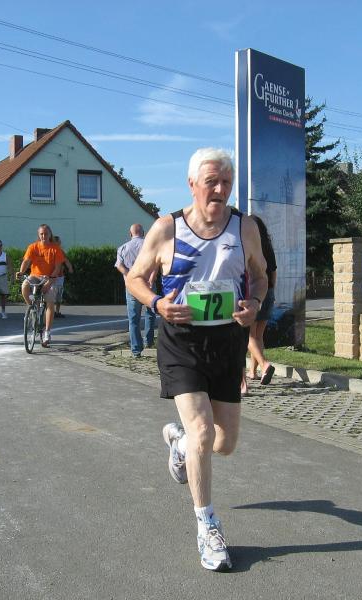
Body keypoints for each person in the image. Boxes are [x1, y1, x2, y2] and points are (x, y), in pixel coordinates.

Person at [126, 147, 267, 571]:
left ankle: (180, 443)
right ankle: (208, 528)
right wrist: (156, 303)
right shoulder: (167, 228)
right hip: (182, 343)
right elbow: (135, 278)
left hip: (227, 343)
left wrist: (255, 304)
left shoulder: (245, 228)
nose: (220, 190)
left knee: (224, 444)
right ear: (192, 185)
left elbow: (260, 275)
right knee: (204, 431)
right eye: (212, 182)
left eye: (226, 182)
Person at [242, 215, 278, 394]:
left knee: (249, 337)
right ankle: (253, 372)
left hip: (253, 294)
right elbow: (273, 272)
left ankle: (264, 365)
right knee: (259, 336)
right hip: (269, 292)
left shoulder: (250, 246)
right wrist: (271, 292)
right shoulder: (268, 248)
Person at [15, 224, 66, 348]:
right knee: (25, 285)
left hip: (49, 277)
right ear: (39, 235)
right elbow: (26, 261)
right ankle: (32, 308)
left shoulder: (55, 249)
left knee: (49, 301)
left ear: (50, 234)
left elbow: (57, 268)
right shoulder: (33, 247)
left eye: (46, 234)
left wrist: (49, 282)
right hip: (35, 275)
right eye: (41, 234)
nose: (44, 236)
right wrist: (21, 272)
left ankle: (47, 331)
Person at [115, 223, 157, 357]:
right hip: (148, 284)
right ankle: (148, 341)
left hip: (132, 286)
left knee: (133, 318)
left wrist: (130, 275)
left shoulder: (123, 248)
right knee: (150, 314)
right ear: (143, 233)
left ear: (130, 234)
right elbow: (156, 263)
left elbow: (119, 265)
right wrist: (152, 279)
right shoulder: (149, 245)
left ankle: (136, 349)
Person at [52, 235, 74, 319]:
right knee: (52, 295)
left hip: (59, 277)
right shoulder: (50, 250)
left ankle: (56, 312)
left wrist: (70, 268)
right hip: (52, 276)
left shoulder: (60, 251)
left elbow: (66, 260)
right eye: (58, 241)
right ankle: (51, 311)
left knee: (58, 295)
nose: (60, 242)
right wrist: (70, 268)